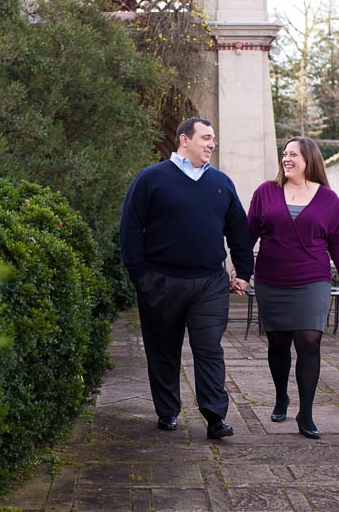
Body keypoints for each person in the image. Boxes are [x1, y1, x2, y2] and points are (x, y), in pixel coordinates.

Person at [120, 117, 254, 439]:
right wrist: (141, 277)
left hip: (210, 283)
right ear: (184, 140)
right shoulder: (151, 179)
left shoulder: (221, 183)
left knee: (209, 349)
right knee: (163, 350)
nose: (212, 144)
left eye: (213, 139)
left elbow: (238, 229)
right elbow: (130, 229)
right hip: (161, 282)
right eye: (206, 138)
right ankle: (167, 412)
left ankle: (215, 417)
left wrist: (244, 272)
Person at [245, 136, 339, 439]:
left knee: (308, 341)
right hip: (272, 280)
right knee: (278, 342)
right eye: (284, 154)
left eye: (293, 154)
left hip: (312, 281)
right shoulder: (266, 193)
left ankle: (305, 413)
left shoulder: (329, 199)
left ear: (309, 160)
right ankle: (282, 396)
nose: (287, 159)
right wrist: (240, 270)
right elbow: (248, 235)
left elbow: (338, 244)